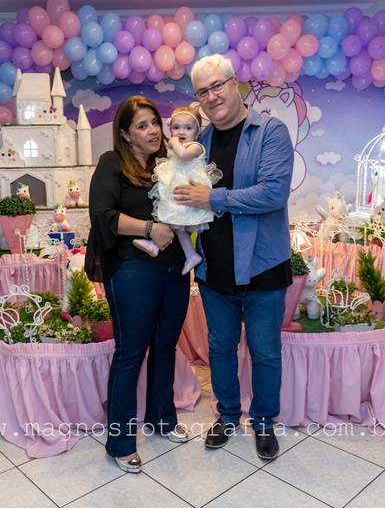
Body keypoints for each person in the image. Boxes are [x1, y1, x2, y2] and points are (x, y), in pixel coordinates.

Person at [173, 54, 294, 460]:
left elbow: (273, 193)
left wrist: (213, 198)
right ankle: (226, 416)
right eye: (202, 92)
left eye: (217, 86)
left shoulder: (270, 132)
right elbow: (182, 193)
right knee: (220, 350)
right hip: (214, 269)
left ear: (234, 84)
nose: (211, 96)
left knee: (265, 352)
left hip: (263, 267)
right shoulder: (200, 144)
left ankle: (263, 422)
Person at [85, 95, 191, 474]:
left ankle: (162, 419)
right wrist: (149, 229)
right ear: (126, 134)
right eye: (141, 125)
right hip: (132, 270)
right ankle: (120, 441)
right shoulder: (112, 163)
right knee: (130, 353)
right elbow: (103, 216)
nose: (152, 131)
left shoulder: (169, 164)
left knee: (165, 347)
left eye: (154, 123)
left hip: (174, 268)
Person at [133, 106, 222, 275]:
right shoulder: (177, 145)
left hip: (189, 188)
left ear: (197, 131)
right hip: (177, 185)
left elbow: (183, 155)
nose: (181, 132)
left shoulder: (195, 146)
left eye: (188, 128)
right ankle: (190, 255)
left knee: (174, 217)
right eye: (176, 127)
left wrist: (173, 142)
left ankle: (158, 245)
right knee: (175, 222)